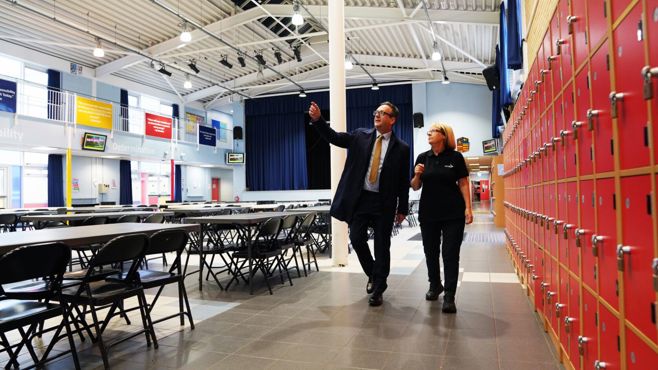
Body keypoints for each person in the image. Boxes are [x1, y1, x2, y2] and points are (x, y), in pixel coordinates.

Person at [308, 101, 410, 307]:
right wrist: (318, 120)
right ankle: (374, 274)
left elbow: (402, 180)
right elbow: (334, 137)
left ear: (393, 119)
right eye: (376, 111)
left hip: (384, 203)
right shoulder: (360, 136)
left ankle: (378, 288)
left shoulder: (402, 148)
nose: (378, 115)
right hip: (361, 200)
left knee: (383, 246)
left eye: (383, 113)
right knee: (356, 238)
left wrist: (403, 208)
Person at [410, 122, 473, 313]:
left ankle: (449, 295)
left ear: (444, 136)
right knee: (430, 251)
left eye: (433, 131)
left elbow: (463, 182)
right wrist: (416, 175)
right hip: (429, 213)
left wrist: (468, 208)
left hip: (453, 213)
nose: (429, 133)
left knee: (450, 253)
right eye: (428, 132)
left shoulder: (455, 157)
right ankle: (435, 285)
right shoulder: (423, 157)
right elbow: (414, 186)